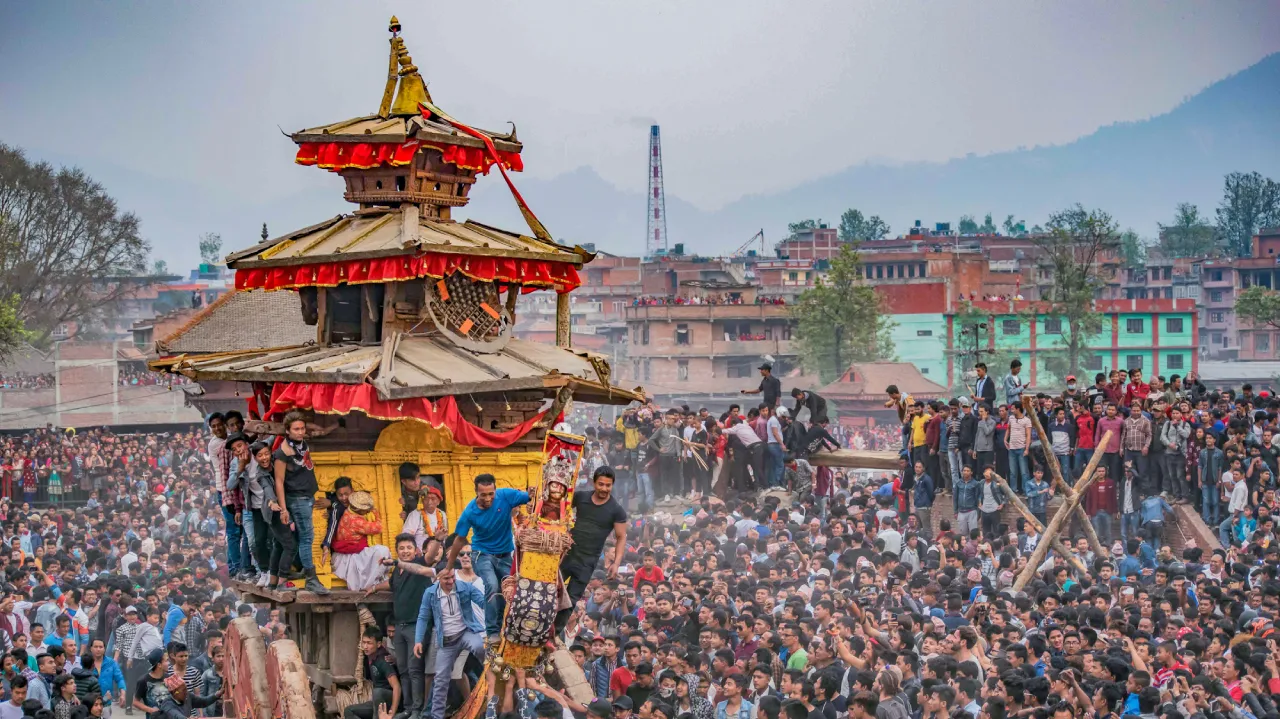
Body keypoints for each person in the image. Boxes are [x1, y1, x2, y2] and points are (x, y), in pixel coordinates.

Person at [440, 474, 529, 643]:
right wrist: (449, 565)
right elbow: (459, 539)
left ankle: (506, 627)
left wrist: (533, 493)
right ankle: (492, 631)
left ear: (495, 491)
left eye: (491, 494)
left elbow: (532, 497)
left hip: (504, 556)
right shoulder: (470, 512)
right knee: (492, 585)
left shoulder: (505, 496)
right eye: (483, 495)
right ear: (476, 493)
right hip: (482, 555)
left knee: (510, 589)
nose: (488, 498)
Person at [557, 468, 628, 635]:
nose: (604, 488)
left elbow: (621, 537)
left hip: (587, 561)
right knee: (551, 589)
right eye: (601, 484)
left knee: (572, 598)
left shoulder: (616, 510)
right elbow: (561, 507)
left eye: (608, 485)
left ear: (613, 485)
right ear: (593, 482)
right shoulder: (581, 497)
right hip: (566, 554)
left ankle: (554, 633)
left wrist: (616, 563)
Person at [414, 568, 484, 719]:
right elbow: (422, 617)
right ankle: (436, 716)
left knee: (480, 646)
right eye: (446, 579)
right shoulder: (431, 593)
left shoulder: (464, 587)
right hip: (446, 641)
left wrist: (496, 603)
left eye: (453, 577)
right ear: (438, 578)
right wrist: (418, 641)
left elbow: (484, 601)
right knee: (440, 680)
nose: (451, 581)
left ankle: (492, 672)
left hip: (465, 632)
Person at [272, 412, 329, 595]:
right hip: (297, 499)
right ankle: (312, 579)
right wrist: (283, 509)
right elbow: (279, 481)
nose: (300, 432)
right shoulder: (283, 453)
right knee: (307, 539)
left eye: (302, 428)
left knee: (303, 538)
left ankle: (303, 569)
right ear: (287, 431)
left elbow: (312, 429)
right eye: (296, 429)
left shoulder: (301, 442)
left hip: (308, 495)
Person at [320, 479, 391, 592]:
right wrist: (375, 512)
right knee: (383, 552)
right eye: (340, 495)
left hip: (353, 552)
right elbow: (378, 527)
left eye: (346, 494)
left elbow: (338, 505)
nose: (343, 498)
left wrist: (331, 503)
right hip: (349, 557)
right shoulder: (355, 521)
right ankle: (370, 587)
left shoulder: (348, 510)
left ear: (352, 493)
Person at [344, 628, 400, 719]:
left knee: (377, 692)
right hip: (377, 702)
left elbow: (397, 686)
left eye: (369, 643)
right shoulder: (369, 656)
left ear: (378, 644)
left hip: (388, 701)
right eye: (364, 642)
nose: (365, 646)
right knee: (349, 711)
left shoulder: (383, 660)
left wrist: (392, 712)